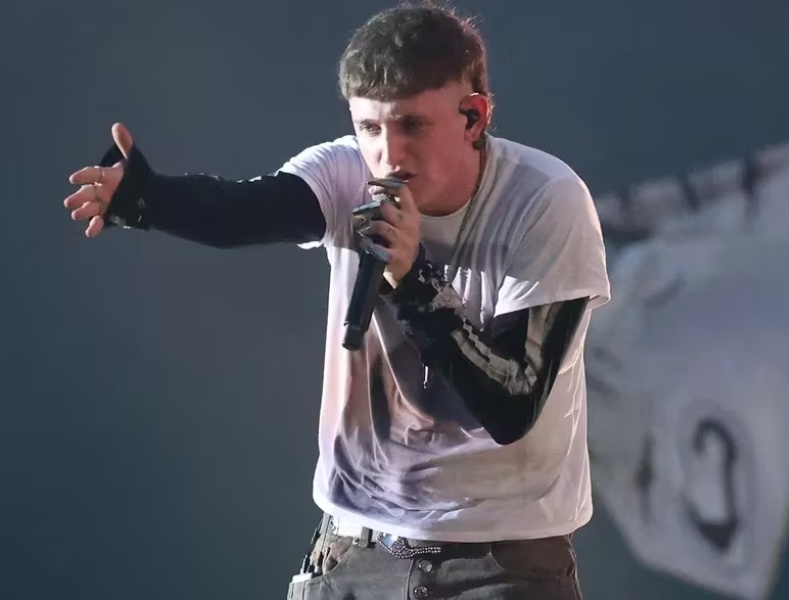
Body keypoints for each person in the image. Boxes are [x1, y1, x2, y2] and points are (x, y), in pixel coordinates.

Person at [63, 4, 610, 599]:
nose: (389, 155)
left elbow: (512, 405)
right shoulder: (345, 173)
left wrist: (413, 279)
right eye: (370, 128)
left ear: (474, 116)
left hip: (499, 565)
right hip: (351, 551)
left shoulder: (544, 201)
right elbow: (242, 212)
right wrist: (149, 200)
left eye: (412, 126)